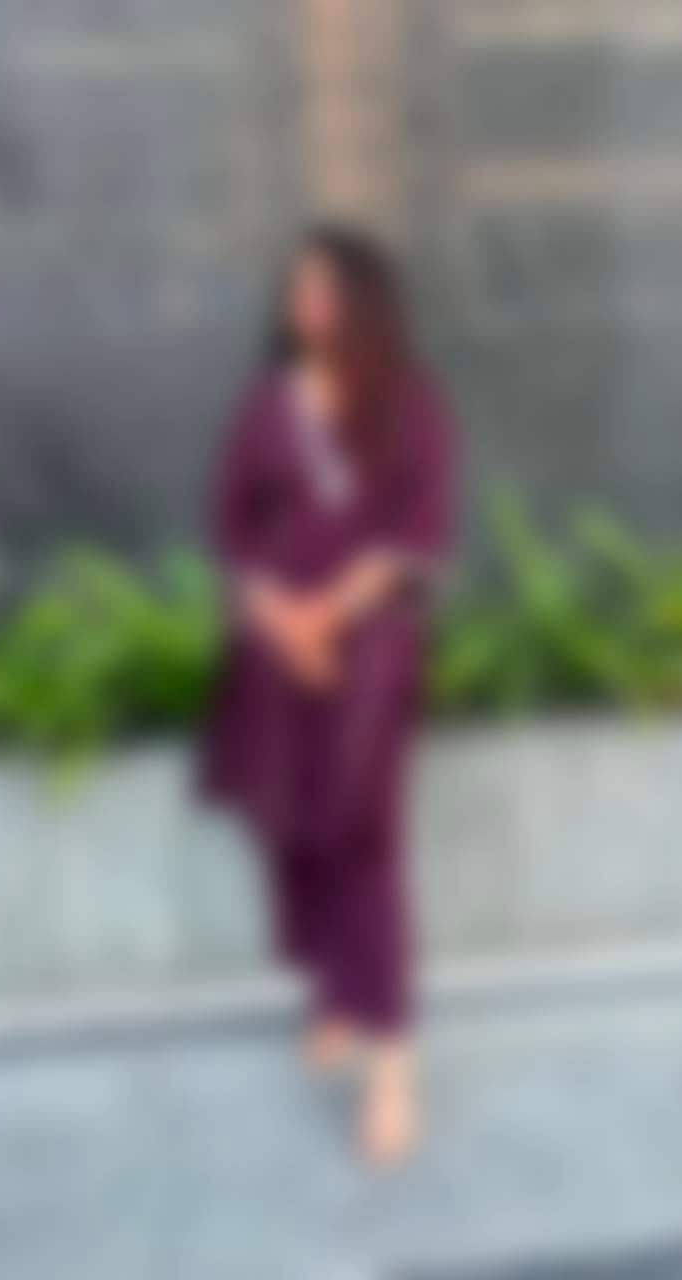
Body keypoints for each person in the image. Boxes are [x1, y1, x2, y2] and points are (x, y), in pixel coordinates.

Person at [204, 225, 455, 1164]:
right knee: (296, 827)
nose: (303, 302)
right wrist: (278, 619)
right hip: (277, 654)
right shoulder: (267, 404)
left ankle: (392, 1065)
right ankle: (338, 995)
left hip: (372, 653)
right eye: (296, 287)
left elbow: (419, 533)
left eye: (322, 287)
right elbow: (232, 525)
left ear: (362, 299)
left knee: (364, 840)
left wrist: (328, 617)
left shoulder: (409, 403)